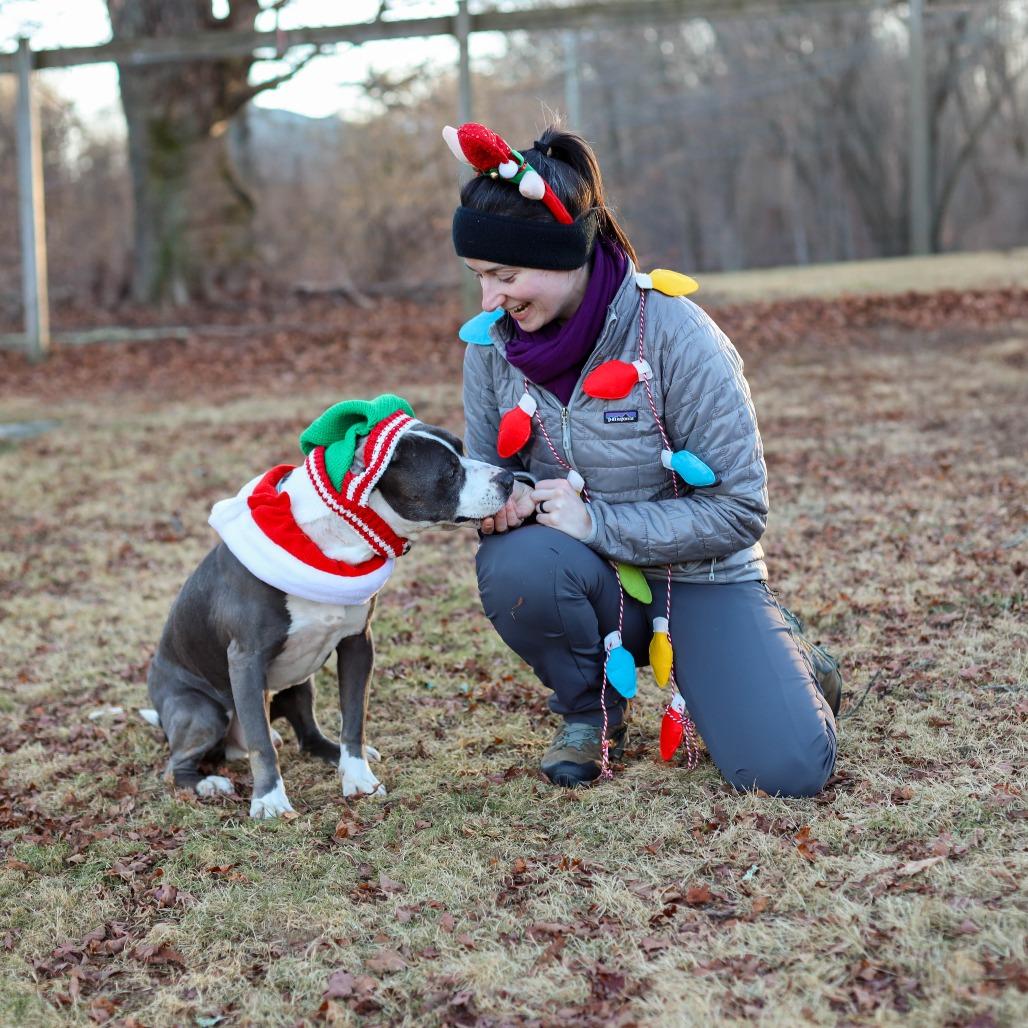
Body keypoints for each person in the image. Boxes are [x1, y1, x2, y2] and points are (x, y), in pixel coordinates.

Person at [446, 121, 841, 793]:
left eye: (505, 276)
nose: (490, 300)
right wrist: (502, 501)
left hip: (700, 576)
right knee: (519, 566)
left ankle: (790, 652)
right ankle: (587, 711)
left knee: (787, 770)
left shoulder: (677, 334)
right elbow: (491, 469)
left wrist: (598, 523)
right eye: (481, 278)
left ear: (563, 255)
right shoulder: (491, 346)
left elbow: (741, 509)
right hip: (582, 577)